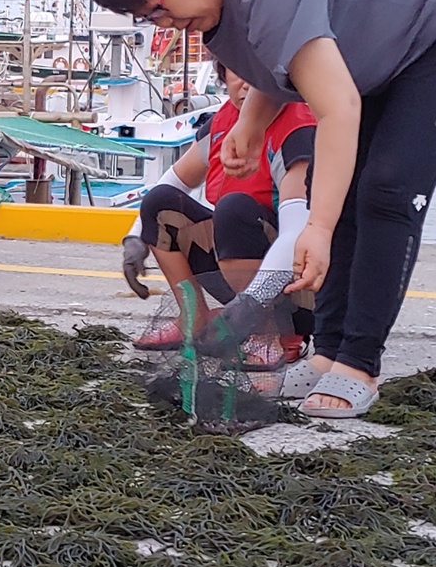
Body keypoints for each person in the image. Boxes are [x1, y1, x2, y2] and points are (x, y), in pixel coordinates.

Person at [75, 0, 436, 417]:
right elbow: (273, 59)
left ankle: (359, 363)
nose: (161, 23)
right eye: (148, 17)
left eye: (160, 6)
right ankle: (328, 353)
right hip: (374, 42)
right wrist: (251, 125)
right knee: (345, 192)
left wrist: (317, 228)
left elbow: (338, 110)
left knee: (387, 189)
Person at [124, 63, 315, 366]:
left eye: (257, 74)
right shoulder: (222, 124)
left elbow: (297, 232)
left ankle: (271, 334)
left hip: (301, 288)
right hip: (243, 289)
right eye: (238, 70)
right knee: (160, 203)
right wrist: (135, 238)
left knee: (233, 208)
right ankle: (194, 319)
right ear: (223, 75)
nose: (247, 85)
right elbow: (171, 183)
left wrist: (253, 302)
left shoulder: (298, 131)